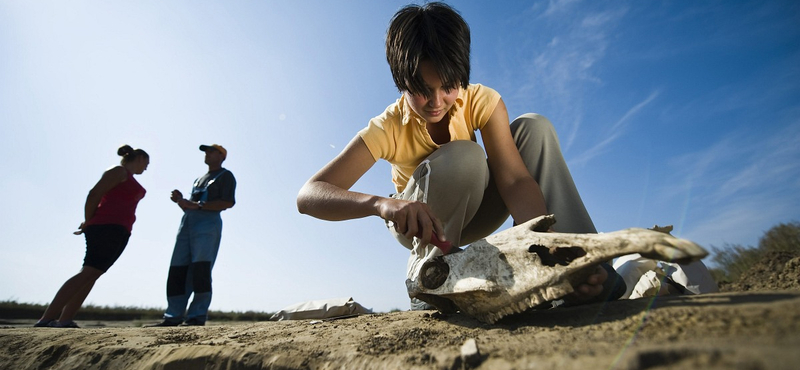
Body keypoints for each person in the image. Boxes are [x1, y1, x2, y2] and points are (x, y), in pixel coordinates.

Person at [297, 2, 624, 310]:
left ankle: (578, 263)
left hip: (477, 206)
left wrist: (541, 249)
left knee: (533, 128)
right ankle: (431, 275)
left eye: (448, 87)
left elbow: (515, 180)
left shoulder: (482, 101)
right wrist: (382, 205)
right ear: (401, 83)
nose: (436, 102)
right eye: (421, 90)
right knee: (465, 154)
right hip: (419, 223)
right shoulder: (388, 126)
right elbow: (309, 195)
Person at [35, 145, 149, 328]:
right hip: (105, 227)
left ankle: (64, 320)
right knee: (88, 271)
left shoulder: (128, 177)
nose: (146, 168)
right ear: (140, 158)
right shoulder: (119, 171)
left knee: (94, 274)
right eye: (146, 163)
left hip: (120, 230)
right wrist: (88, 220)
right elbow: (94, 194)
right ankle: (46, 318)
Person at [150, 144, 236, 326]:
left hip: (207, 225)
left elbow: (228, 202)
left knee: (201, 269)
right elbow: (191, 205)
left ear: (222, 156)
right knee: (178, 270)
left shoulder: (225, 176)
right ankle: (173, 315)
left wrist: (197, 206)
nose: (207, 154)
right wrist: (181, 201)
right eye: (206, 151)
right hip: (187, 224)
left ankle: (196, 316)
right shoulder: (199, 179)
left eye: (211, 151)